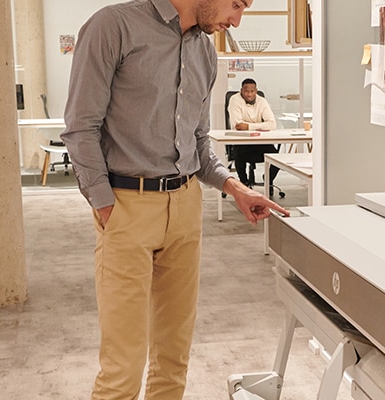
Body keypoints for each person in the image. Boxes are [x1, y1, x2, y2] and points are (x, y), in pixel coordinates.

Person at [61, 0, 287, 398]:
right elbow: (81, 128)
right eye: (236, 4)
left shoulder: (204, 50)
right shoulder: (113, 27)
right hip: (126, 206)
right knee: (123, 368)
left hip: (185, 207)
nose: (236, 20)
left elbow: (197, 141)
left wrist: (234, 186)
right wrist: (104, 203)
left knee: (173, 358)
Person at [227, 78, 281, 190]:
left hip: (260, 142)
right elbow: (238, 125)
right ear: (241, 90)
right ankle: (244, 183)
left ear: (256, 91)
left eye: (252, 91)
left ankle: (268, 179)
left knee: (277, 158)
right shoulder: (234, 100)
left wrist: (249, 126)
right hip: (242, 142)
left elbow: (272, 124)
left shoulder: (262, 101)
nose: (249, 94)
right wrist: (260, 125)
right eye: (246, 91)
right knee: (239, 156)